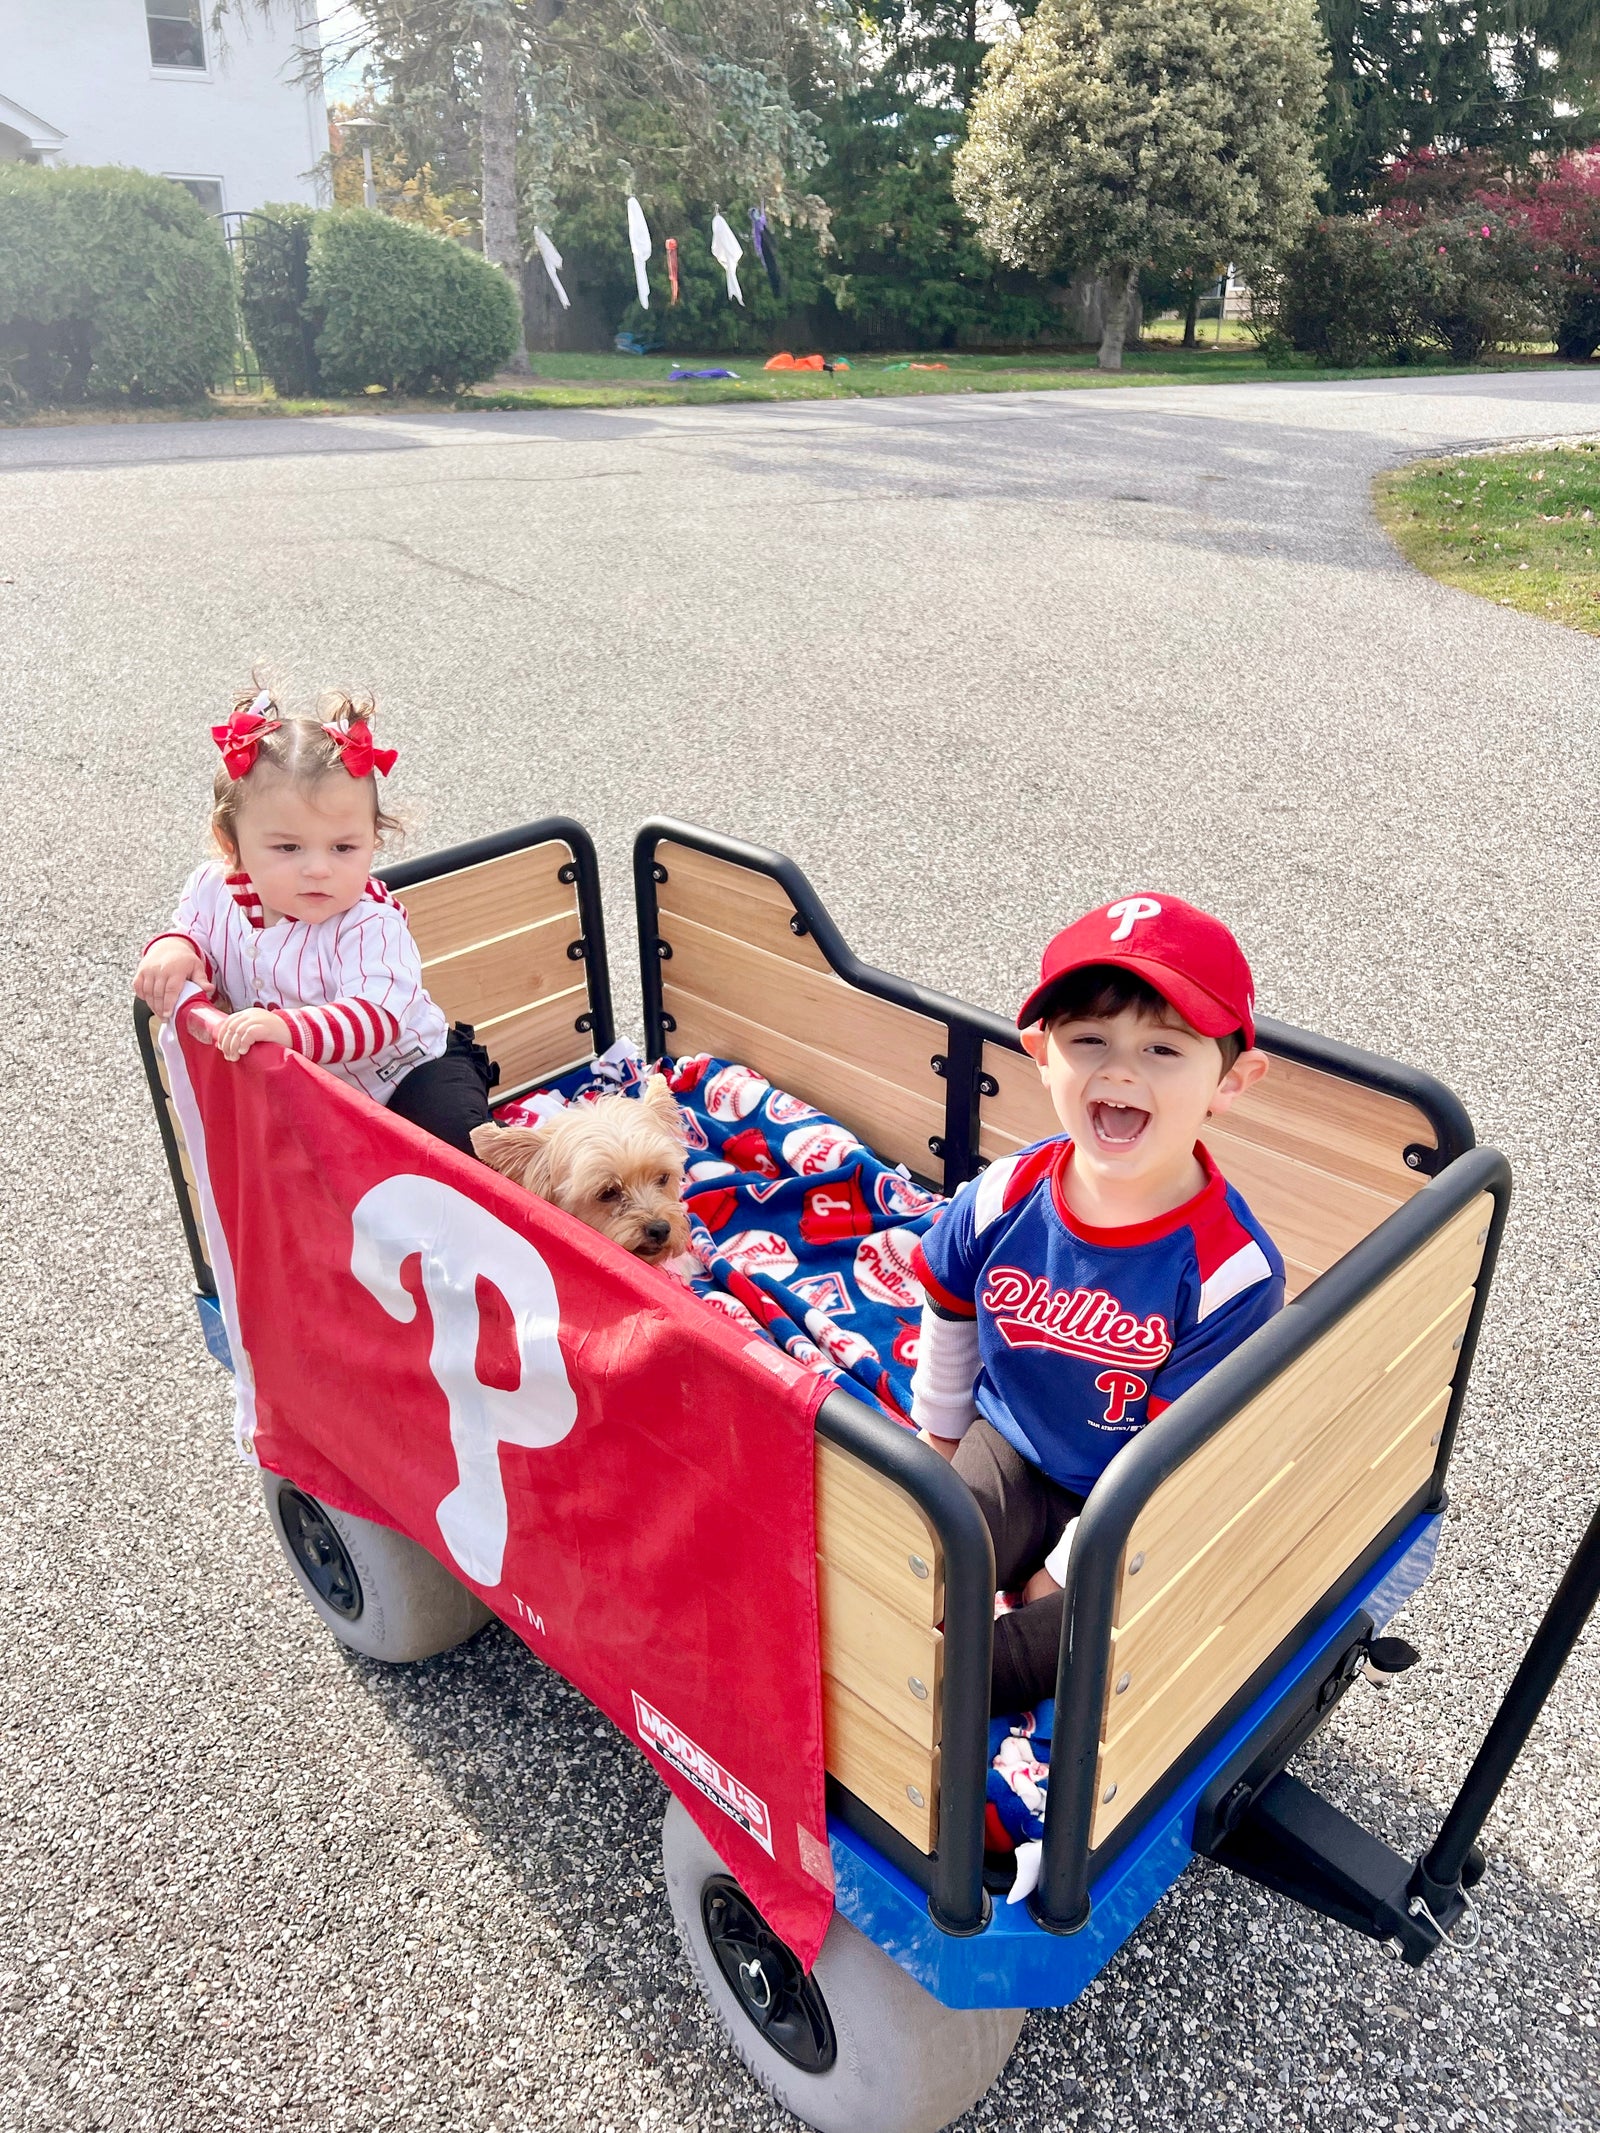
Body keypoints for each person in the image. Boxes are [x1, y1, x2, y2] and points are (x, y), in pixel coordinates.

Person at [909, 894, 1285, 1712]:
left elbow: (1166, 1463)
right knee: (911, 1572)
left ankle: (927, 1725)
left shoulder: (1230, 1273)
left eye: (1163, 1047)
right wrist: (936, 1446)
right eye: (1089, 1040)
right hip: (1012, 1446)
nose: (1120, 1071)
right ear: (1040, 1054)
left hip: (1138, 1507)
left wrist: (1062, 1568)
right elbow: (949, 1304)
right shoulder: (1004, 1193)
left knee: (1021, 1658)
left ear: (1232, 1080)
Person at [133, 688, 494, 1155]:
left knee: (455, 1148)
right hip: (313, 1095)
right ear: (231, 845)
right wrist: (175, 948)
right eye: (288, 848)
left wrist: (287, 1029)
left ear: (372, 841)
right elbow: (193, 929)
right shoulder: (214, 889)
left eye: (344, 847)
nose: (319, 869)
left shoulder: (369, 922)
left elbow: (377, 1017)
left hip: (407, 1075)